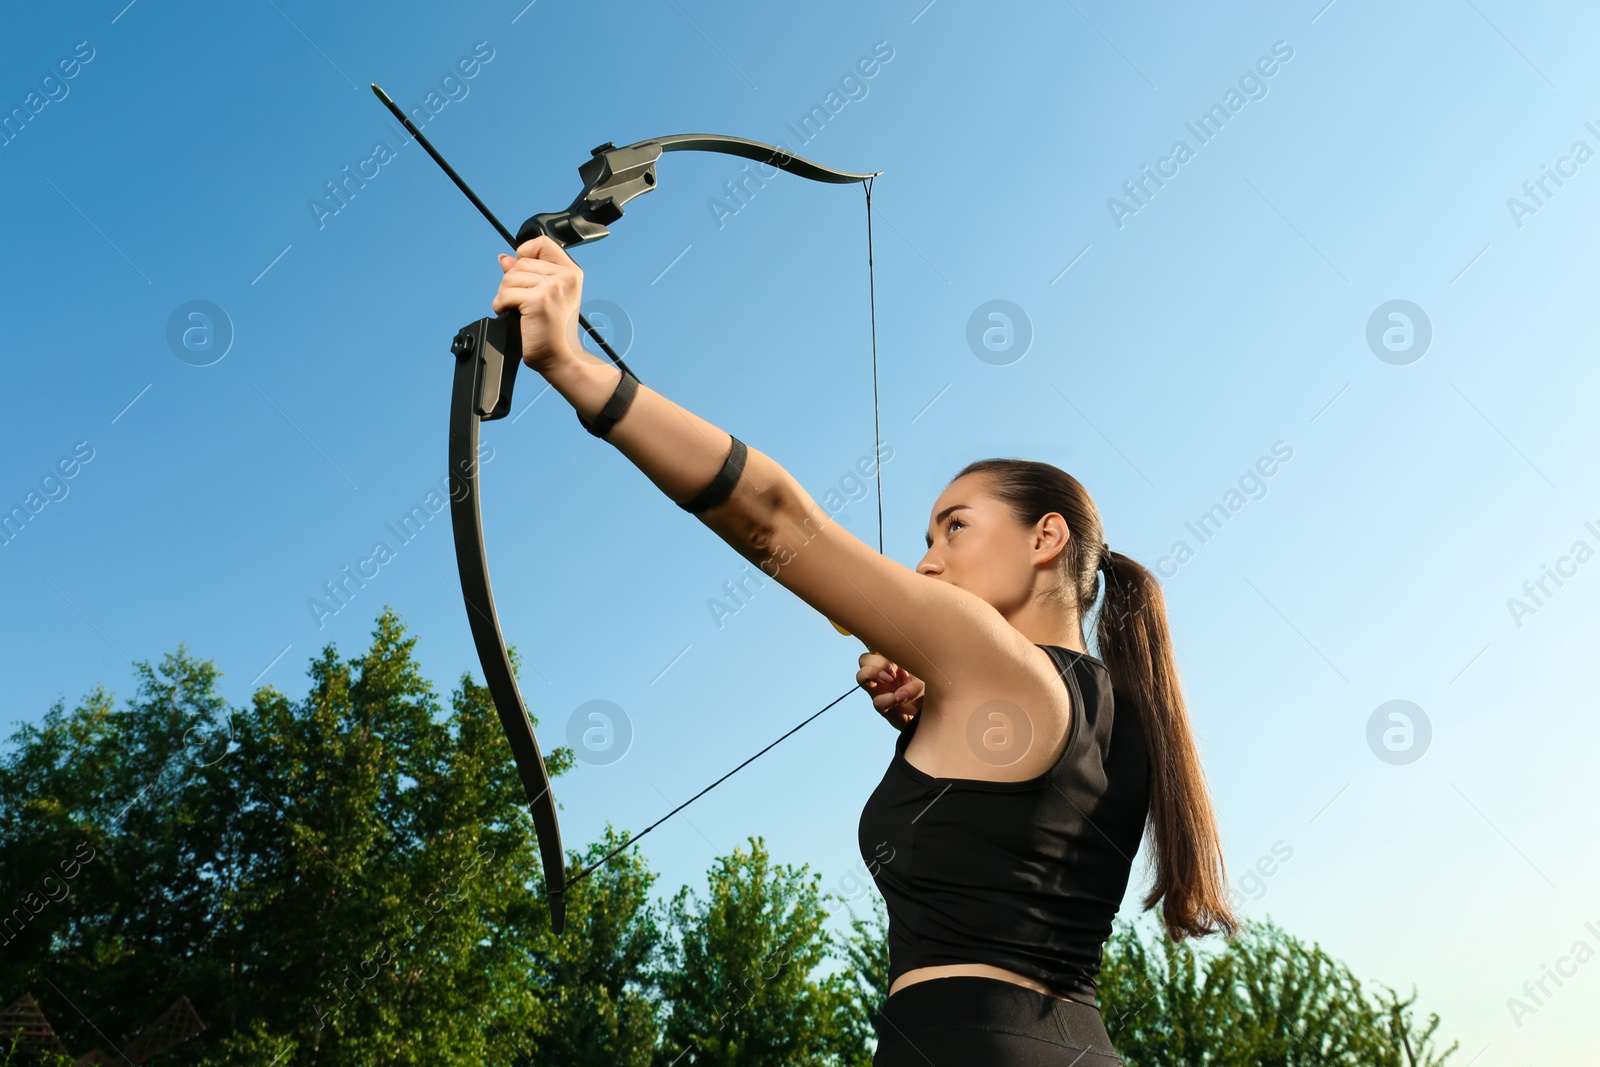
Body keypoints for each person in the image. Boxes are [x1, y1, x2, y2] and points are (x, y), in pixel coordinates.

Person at [493, 237, 1238, 1066]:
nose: (927, 559)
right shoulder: (1125, 716)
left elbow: (773, 516)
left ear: (1046, 537)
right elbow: (1007, 846)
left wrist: (572, 364)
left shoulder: (993, 660)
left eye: (955, 526)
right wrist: (927, 722)